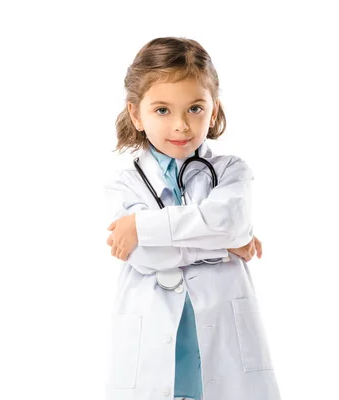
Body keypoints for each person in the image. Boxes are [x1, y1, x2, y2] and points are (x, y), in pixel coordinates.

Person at [102, 37, 281, 400]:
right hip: (153, 352)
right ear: (136, 114)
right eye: (163, 110)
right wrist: (224, 244)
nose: (182, 125)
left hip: (224, 349)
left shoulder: (233, 172)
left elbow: (228, 222)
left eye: (196, 108)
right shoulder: (123, 185)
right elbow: (148, 256)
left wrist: (142, 228)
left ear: (214, 111)